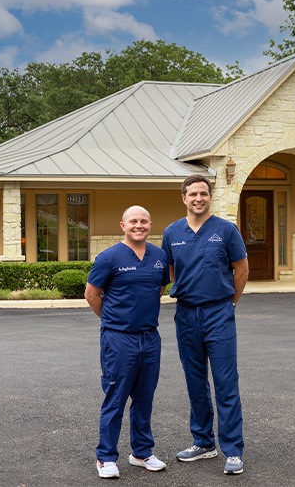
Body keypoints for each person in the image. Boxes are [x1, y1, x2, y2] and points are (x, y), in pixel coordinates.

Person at [161, 174, 249, 475]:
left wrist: (229, 303)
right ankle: (203, 442)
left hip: (218, 314)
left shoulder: (226, 231)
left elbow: (241, 270)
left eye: (203, 193)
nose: (198, 198)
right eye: (192, 193)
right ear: (183, 198)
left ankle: (233, 450)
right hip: (186, 316)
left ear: (210, 197)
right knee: (195, 382)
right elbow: (172, 269)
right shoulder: (172, 232)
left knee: (226, 383)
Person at [85, 205, 171, 479]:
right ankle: (106, 457)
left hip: (150, 338)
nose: (139, 225)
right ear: (122, 225)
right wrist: (114, 321)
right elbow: (92, 294)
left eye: (144, 221)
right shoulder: (108, 258)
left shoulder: (159, 256)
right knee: (116, 397)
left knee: (144, 398)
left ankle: (141, 452)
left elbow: (158, 289)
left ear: (150, 224)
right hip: (118, 339)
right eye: (133, 221)